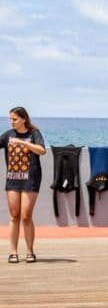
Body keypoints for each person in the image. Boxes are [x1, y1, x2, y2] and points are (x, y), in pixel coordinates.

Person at [1, 107, 46, 263]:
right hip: (13, 179)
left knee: (26, 216)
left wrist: (21, 142)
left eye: (14, 119)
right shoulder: (7, 135)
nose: (11, 122)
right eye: (10, 119)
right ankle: (13, 252)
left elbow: (41, 151)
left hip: (30, 179)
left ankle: (30, 251)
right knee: (14, 216)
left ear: (23, 119)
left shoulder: (34, 134)